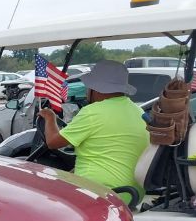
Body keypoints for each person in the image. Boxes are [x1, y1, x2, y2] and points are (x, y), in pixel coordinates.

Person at [38, 60, 149, 204]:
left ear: (96, 88)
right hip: (132, 193)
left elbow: (52, 142)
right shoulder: (138, 111)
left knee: (43, 195)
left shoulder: (92, 112)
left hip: (100, 193)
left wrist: (50, 117)